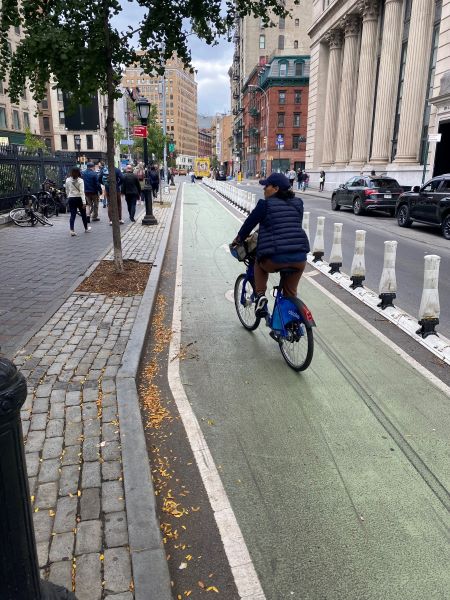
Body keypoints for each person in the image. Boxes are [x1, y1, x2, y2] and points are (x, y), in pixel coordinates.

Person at [231, 173, 309, 316]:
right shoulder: (298, 203)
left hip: (274, 258)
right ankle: (290, 325)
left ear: (275, 188)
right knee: (290, 293)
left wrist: (238, 239)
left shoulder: (264, 205)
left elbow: (248, 225)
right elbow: (292, 224)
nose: (264, 189)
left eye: (266, 186)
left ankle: (260, 296)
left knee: (258, 264)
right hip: (300, 258)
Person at [65, 167, 91, 236]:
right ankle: (86, 228)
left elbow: (67, 190)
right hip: (79, 198)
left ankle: (72, 230)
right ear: (79, 172)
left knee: (72, 215)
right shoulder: (80, 180)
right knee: (83, 214)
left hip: (71, 198)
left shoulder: (67, 180)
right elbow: (82, 192)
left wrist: (68, 196)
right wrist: (84, 202)